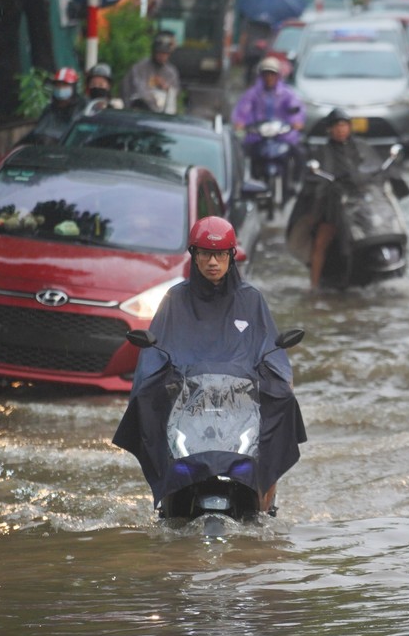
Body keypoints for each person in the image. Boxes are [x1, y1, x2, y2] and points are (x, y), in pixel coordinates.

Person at [112, 216, 306, 515]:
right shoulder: (175, 299)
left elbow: (270, 350)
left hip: (241, 399)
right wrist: (158, 380)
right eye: (205, 253)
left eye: (220, 254)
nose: (212, 261)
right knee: (145, 400)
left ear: (232, 256)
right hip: (188, 399)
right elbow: (156, 350)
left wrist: (279, 379)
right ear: (194, 255)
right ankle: (167, 496)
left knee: (282, 402)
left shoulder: (251, 299)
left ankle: (265, 501)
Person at [305, 108, 409, 289]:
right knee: (322, 239)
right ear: (329, 129)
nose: (340, 130)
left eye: (344, 125)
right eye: (336, 126)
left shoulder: (361, 146)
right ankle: (314, 286)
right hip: (334, 203)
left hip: (361, 201)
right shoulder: (323, 151)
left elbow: (375, 166)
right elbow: (315, 177)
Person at [231, 55, 305, 196]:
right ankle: (245, 182)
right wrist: (240, 123)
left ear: (278, 76)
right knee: (240, 152)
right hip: (258, 136)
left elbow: (296, 109)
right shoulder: (253, 94)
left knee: (299, 153)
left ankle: (295, 183)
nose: (269, 77)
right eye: (266, 74)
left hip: (282, 136)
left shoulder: (287, 94)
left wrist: (297, 122)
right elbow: (242, 111)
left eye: (272, 74)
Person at [19, 67, 86, 145]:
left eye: (64, 85)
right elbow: (37, 131)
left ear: (73, 88)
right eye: (58, 85)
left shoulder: (81, 108)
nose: (60, 88)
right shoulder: (50, 108)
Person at [121, 31, 181, 114]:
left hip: (163, 113)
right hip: (139, 111)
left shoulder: (171, 72)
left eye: (165, 54)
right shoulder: (140, 68)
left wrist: (166, 87)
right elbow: (136, 90)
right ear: (154, 52)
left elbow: (175, 93)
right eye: (160, 53)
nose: (162, 56)